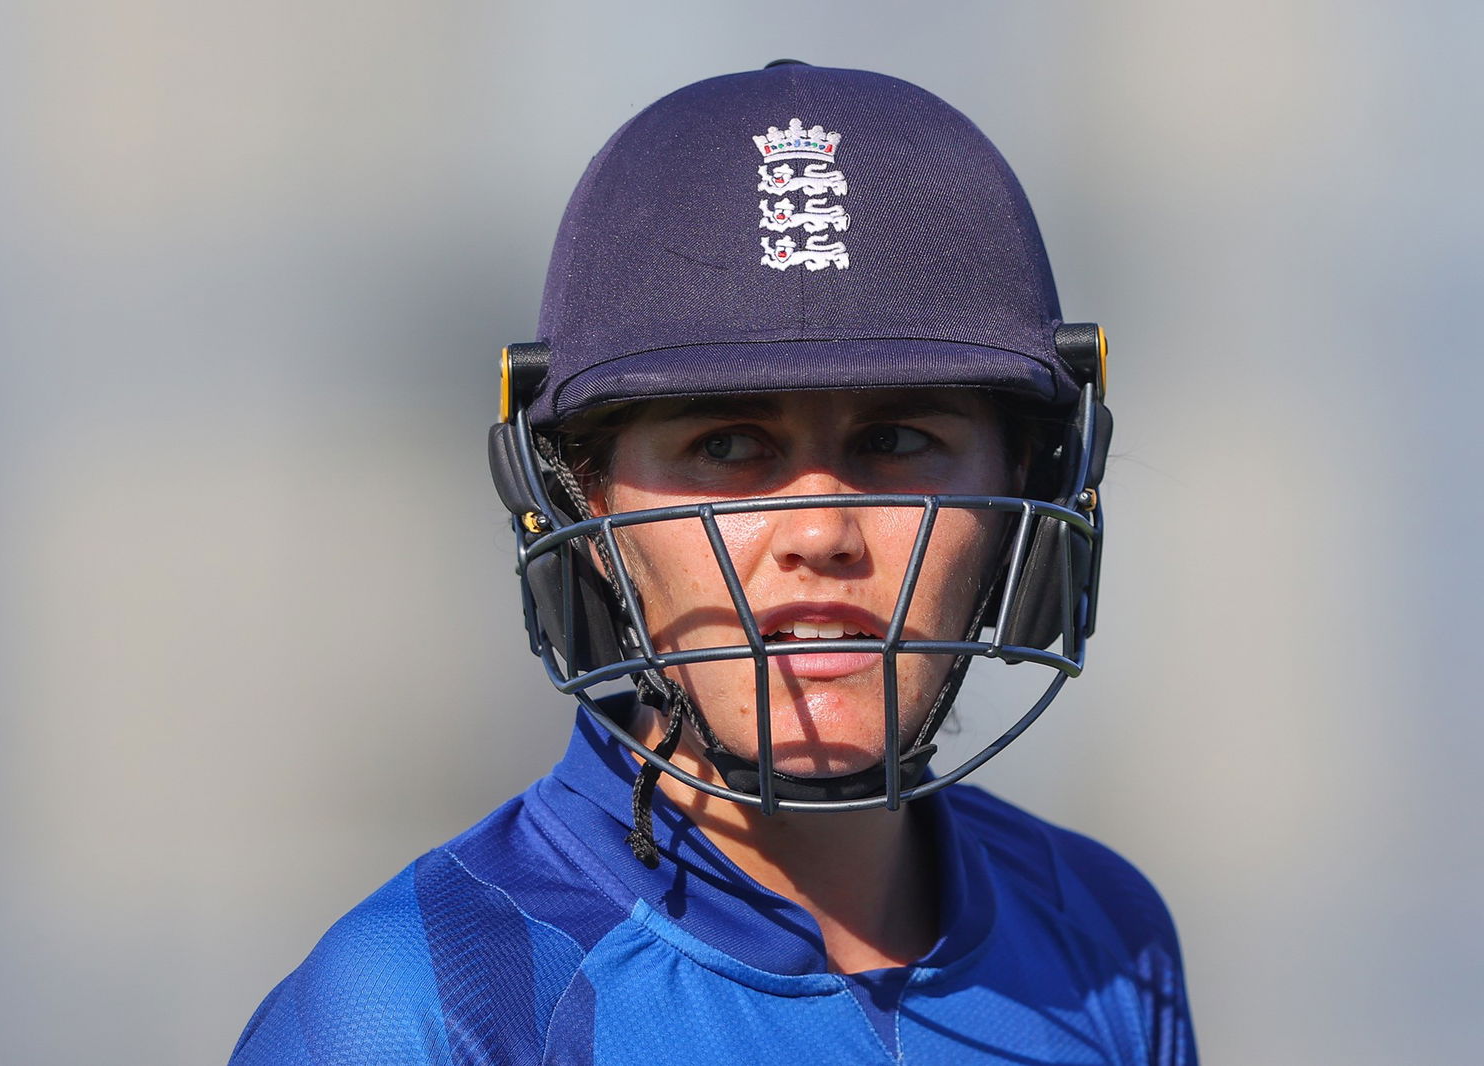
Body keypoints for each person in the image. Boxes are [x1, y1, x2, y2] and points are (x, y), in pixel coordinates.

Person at [231, 61, 1196, 1065]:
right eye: (729, 447)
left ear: (1032, 482)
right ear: (582, 501)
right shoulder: (425, 1004)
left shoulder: (1103, 939)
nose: (821, 531)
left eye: (901, 439)